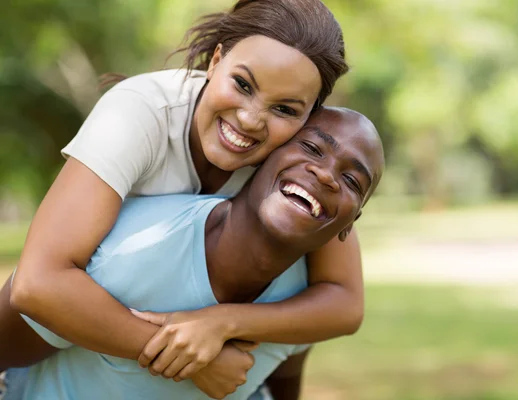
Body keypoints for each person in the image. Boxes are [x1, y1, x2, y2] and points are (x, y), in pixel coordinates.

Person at [0, 0, 368, 390]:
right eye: (242, 85)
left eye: (284, 108)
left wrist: (222, 322)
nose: (250, 119)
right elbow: (37, 284)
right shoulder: (140, 113)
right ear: (215, 61)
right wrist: (192, 357)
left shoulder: (291, 157)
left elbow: (344, 301)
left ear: (310, 115)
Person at [4, 107, 385, 400]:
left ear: (351, 223)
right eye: (312, 148)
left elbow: (283, 379)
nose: (325, 175)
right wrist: (184, 356)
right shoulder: (133, 249)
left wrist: (222, 323)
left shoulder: (302, 303)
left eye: (352, 180)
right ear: (261, 156)